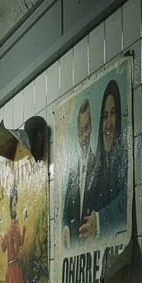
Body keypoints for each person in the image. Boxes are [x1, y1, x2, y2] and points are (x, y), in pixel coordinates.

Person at [80, 80, 127, 239]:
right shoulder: (97, 166)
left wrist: (99, 221)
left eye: (113, 114)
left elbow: (127, 196)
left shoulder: (125, 156)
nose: (108, 124)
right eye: (105, 116)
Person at [61, 98, 94, 245]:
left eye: (87, 129)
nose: (84, 136)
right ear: (77, 134)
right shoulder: (72, 173)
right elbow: (65, 214)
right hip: (74, 247)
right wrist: (65, 227)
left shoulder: (99, 164)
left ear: (92, 128)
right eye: (81, 131)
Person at [0, 184, 26, 283]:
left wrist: (1, 235)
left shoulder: (9, 230)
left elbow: (3, 246)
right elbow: (21, 242)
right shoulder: (15, 229)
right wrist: (25, 227)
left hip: (10, 266)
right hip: (14, 265)